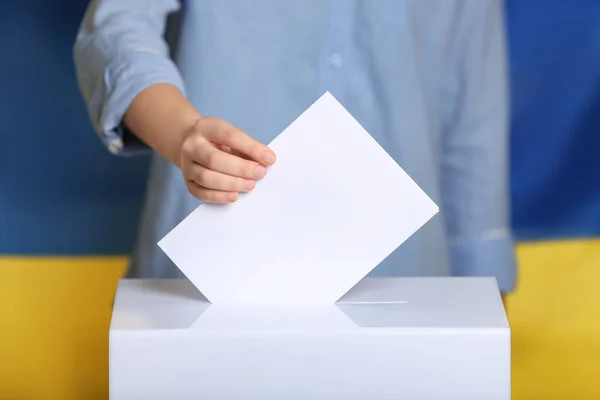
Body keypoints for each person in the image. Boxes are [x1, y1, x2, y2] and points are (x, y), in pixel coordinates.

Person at [73, 0, 517, 300]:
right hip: (208, 280)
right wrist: (184, 132)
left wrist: (486, 290)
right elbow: (117, 25)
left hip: (408, 281)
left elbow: (472, 106)